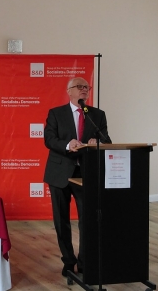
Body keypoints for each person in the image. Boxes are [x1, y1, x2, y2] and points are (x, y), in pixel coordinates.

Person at [42, 77, 111, 277]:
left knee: (87, 220)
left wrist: (97, 142)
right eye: (79, 87)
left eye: (86, 87)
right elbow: (49, 139)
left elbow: (107, 140)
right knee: (61, 220)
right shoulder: (56, 113)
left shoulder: (97, 115)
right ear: (69, 91)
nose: (84, 90)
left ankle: (84, 262)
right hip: (59, 173)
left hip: (85, 174)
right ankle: (68, 261)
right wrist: (67, 144)